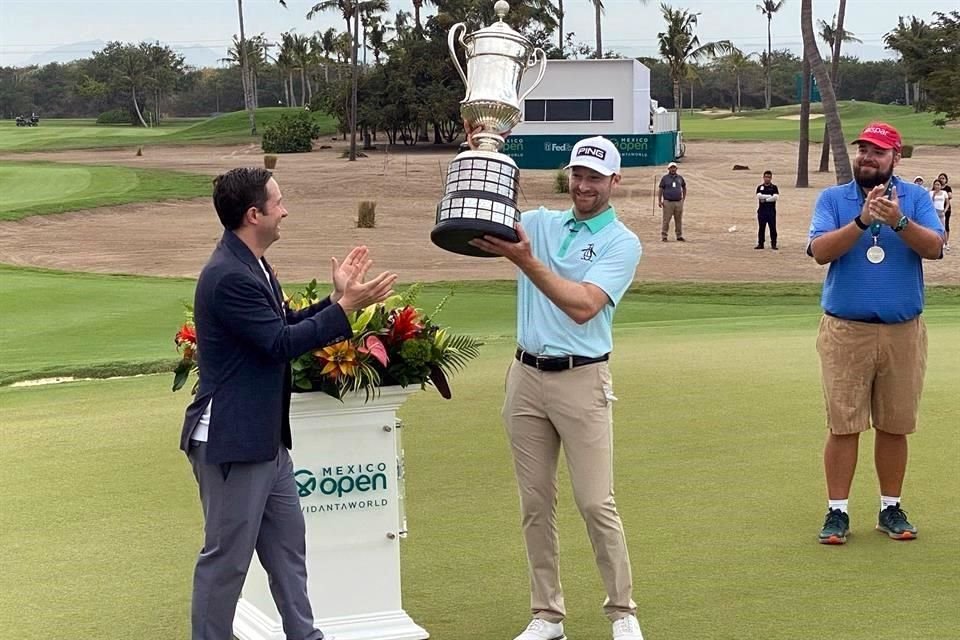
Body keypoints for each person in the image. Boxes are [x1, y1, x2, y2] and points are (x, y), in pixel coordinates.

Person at [179, 167, 397, 640]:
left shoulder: (251, 263)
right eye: (277, 202)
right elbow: (279, 343)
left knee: (286, 551)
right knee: (227, 561)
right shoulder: (228, 275)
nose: (284, 210)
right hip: (233, 442)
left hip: (265, 441)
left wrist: (337, 299)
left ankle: (305, 635)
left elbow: (284, 322)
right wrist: (345, 309)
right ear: (254, 214)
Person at [469, 134, 644, 640]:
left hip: (582, 378)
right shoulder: (543, 223)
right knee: (535, 504)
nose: (583, 185)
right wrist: (482, 151)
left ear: (615, 180)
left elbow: (583, 304)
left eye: (594, 177)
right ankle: (547, 614)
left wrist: (525, 261)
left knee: (595, 501)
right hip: (525, 378)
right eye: (577, 174)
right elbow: (484, 214)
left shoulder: (621, 242)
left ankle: (622, 610)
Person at [806, 122, 944, 546]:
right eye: (863, 149)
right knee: (844, 425)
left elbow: (935, 248)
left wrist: (898, 220)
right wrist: (863, 220)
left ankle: (890, 507)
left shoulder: (917, 199)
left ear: (895, 158)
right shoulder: (833, 198)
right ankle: (837, 512)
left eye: (878, 151)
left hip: (903, 331)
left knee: (894, 425)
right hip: (846, 330)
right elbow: (820, 252)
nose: (868, 157)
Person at [658, 161, 686, 242]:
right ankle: (664, 236)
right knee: (666, 220)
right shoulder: (665, 178)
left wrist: (683, 199)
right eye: (671, 168)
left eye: (674, 167)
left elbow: (684, 187)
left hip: (678, 202)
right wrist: (659, 201)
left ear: (676, 168)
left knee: (678, 220)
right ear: (668, 169)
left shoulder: (680, 178)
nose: (673, 169)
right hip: (668, 202)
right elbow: (661, 189)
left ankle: (679, 235)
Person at [755, 170, 780, 250]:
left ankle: (774, 244)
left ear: (771, 178)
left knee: (772, 228)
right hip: (762, 211)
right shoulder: (760, 187)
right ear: (763, 177)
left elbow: (775, 197)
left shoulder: (774, 187)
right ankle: (760, 243)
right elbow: (759, 196)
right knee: (761, 228)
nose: (767, 179)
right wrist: (770, 196)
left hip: (771, 211)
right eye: (766, 177)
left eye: (769, 177)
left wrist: (765, 199)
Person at [937, 172, 951, 250]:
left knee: (946, 225)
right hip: (937, 210)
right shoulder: (935, 188)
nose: (941, 179)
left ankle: (946, 241)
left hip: (945, 209)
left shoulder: (947, 188)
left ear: (946, 180)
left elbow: (950, 196)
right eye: (940, 178)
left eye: (943, 178)